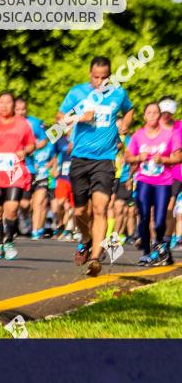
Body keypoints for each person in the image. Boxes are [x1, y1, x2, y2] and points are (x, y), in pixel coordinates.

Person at [57, 56, 133, 276]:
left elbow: (129, 109)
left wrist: (125, 125)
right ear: (90, 74)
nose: (100, 81)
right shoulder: (77, 92)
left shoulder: (118, 93)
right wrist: (79, 116)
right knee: (80, 210)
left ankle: (94, 258)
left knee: (100, 208)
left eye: (104, 77)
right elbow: (59, 117)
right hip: (80, 157)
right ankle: (87, 239)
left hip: (105, 159)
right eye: (96, 77)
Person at [0, 92, 36, 260]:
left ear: (13, 105)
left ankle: (9, 242)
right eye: (1, 102)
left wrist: (25, 151)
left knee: (11, 210)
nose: (4, 105)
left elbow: (32, 144)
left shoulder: (22, 124)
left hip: (14, 173)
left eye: (8, 102)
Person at [125, 102, 181, 265]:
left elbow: (178, 158)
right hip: (143, 180)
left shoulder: (169, 135)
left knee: (160, 218)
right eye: (148, 113)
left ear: (159, 115)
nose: (152, 116)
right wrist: (138, 158)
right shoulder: (138, 135)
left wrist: (163, 159)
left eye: (155, 113)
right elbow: (128, 157)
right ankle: (146, 252)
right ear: (144, 116)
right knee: (143, 217)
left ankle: (160, 244)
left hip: (163, 182)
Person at [14, 98, 48, 236]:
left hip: (28, 167)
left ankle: (23, 216)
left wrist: (30, 149)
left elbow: (44, 140)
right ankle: (6, 228)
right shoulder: (7, 123)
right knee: (9, 198)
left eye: (23, 109)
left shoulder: (33, 123)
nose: (21, 112)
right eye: (18, 109)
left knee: (25, 203)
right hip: (10, 166)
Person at [157, 97, 182, 249]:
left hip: (175, 173)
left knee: (169, 206)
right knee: (154, 209)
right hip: (153, 173)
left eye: (169, 113)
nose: (166, 116)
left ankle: (165, 241)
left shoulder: (180, 126)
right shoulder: (153, 127)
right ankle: (156, 241)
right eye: (163, 112)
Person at [51, 133, 74, 240]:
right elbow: (54, 155)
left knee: (70, 206)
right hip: (62, 176)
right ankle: (60, 224)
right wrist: (54, 168)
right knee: (60, 202)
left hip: (75, 176)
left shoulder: (80, 135)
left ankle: (67, 229)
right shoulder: (60, 139)